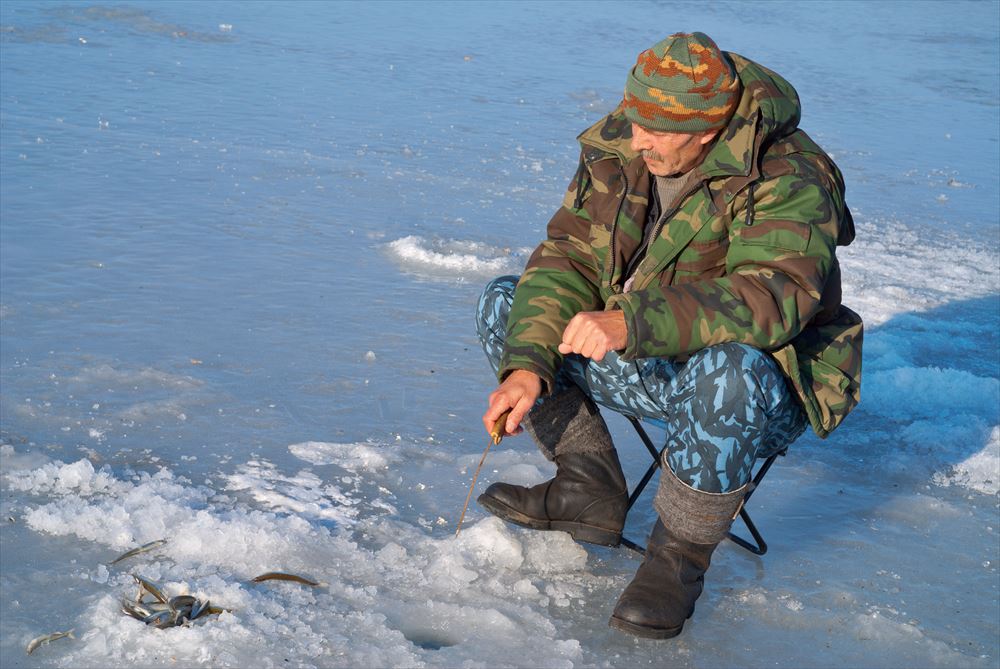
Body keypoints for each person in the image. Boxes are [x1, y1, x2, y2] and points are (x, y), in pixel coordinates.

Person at [474, 32, 863, 640]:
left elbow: (771, 300)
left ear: (708, 130)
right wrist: (526, 366)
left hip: (762, 384)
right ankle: (587, 487)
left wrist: (632, 320)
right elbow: (569, 256)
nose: (638, 141)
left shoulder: (788, 175)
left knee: (729, 370)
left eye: (657, 132)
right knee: (505, 304)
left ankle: (677, 559)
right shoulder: (627, 144)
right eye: (635, 121)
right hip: (646, 358)